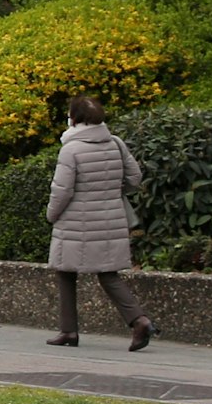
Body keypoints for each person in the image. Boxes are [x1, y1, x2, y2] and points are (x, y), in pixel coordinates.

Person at [46, 95, 155, 351]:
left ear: (75, 118)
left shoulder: (71, 149)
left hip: (76, 220)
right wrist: (112, 193)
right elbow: (135, 177)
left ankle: (69, 330)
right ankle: (139, 320)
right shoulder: (115, 143)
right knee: (108, 274)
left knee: (65, 272)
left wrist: (51, 215)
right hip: (112, 217)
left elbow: (62, 190)